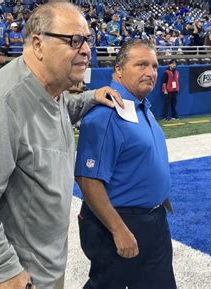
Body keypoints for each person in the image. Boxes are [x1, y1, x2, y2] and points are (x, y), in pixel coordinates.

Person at [0, 3, 122, 289]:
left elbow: (62, 106)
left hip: (48, 264)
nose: (86, 50)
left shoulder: (51, 89)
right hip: (24, 275)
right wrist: (2, 269)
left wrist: (92, 96)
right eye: (74, 40)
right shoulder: (1, 104)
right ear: (38, 44)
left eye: (87, 40)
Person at [75, 39, 176, 289]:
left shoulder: (142, 106)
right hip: (119, 222)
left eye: (154, 66)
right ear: (119, 70)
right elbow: (88, 179)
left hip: (153, 219)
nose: (151, 72)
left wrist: (157, 194)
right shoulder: (106, 115)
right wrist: (118, 229)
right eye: (141, 64)